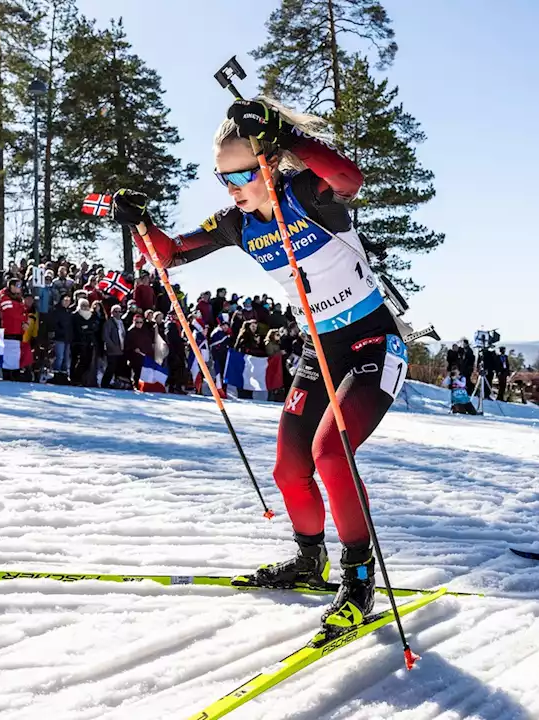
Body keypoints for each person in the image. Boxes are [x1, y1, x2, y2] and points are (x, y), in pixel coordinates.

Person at [111, 96, 409, 630]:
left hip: (371, 344)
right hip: (319, 351)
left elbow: (350, 178)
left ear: (267, 164)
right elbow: (167, 255)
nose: (232, 190)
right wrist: (140, 222)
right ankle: (308, 559)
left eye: (242, 176)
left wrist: (283, 132)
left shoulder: (306, 193)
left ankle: (359, 577)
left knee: (330, 454)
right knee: (290, 467)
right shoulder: (236, 222)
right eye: (223, 178)